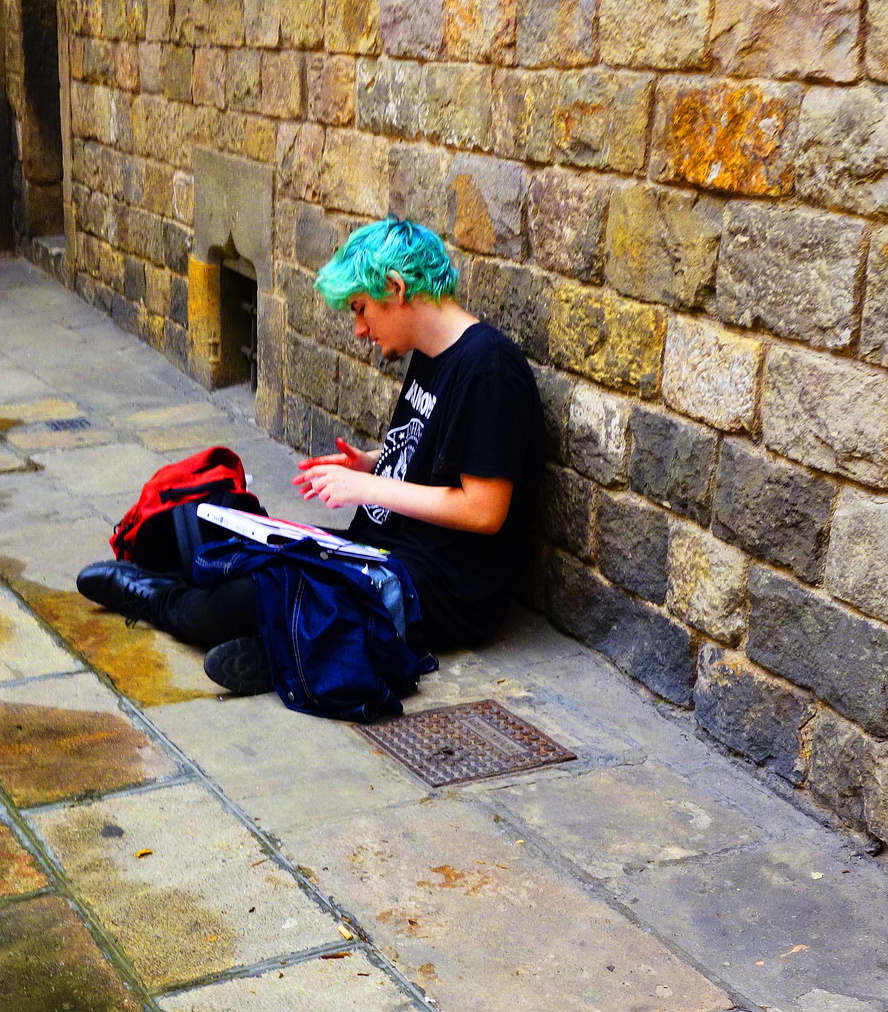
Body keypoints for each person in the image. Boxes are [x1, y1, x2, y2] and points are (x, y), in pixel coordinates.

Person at [77, 217, 545, 696]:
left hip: (432, 591)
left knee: (239, 596)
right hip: (378, 554)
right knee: (225, 538)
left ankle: (154, 599)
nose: (359, 329)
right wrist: (372, 461)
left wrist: (370, 488)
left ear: (396, 288)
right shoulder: (433, 352)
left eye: (361, 309)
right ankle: (286, 645)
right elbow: (443, 455)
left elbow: (485, 510)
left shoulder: (490, 369)